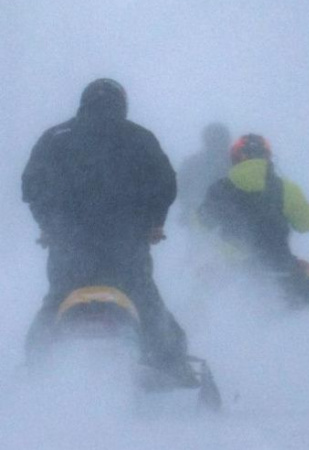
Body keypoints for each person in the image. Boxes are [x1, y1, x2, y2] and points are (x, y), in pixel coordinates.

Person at [21, 78, 192, 381]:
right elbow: (165, 184)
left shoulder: (55, 137)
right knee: (145, 299)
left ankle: (35, 371)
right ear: (122, 104)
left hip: (69, 245)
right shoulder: (139, 137)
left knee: (58, 298)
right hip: (126, 243)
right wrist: (155, 221)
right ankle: (174, 370)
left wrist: (48, 225)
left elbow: (32, 186)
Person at [198, 133, 309, 308]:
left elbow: (201, 223)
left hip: (232, 269)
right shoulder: (286, 188)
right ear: (268, 156)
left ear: (235, 158)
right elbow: (307, 224)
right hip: (280, 267)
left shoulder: (220, 188)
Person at [177, 122, 231, 225]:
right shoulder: (235, 163)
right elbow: (181, 189)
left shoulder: (191, 163)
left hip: (200, 217)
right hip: (222, 219)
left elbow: (181, 189)